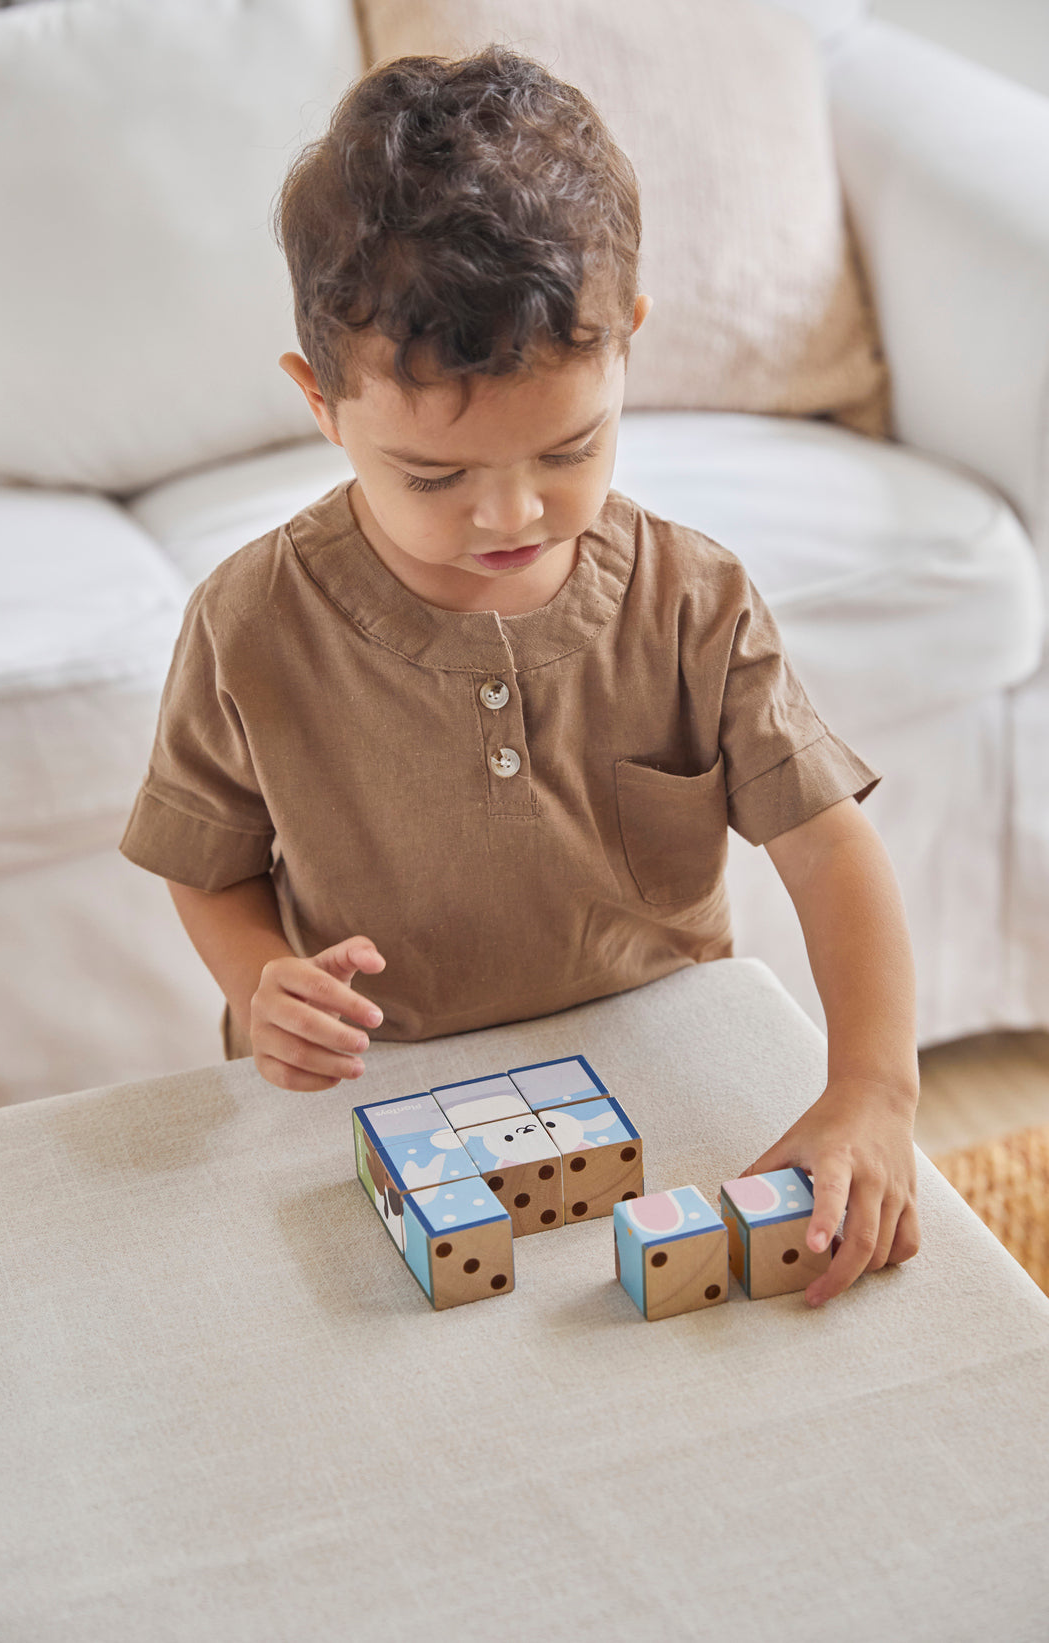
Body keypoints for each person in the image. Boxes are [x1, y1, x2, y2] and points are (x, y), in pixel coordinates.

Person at [120, 47, 920, 1305]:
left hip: (653, 1072)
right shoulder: (252, 622)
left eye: (571, 447)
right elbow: (204, 864)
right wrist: (254, 981)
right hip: (375, 1106)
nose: (512, 513)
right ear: (322, 406)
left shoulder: (693, 601)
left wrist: (872, 1087)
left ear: (628, 352)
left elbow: (829, 850)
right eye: (432, 476)